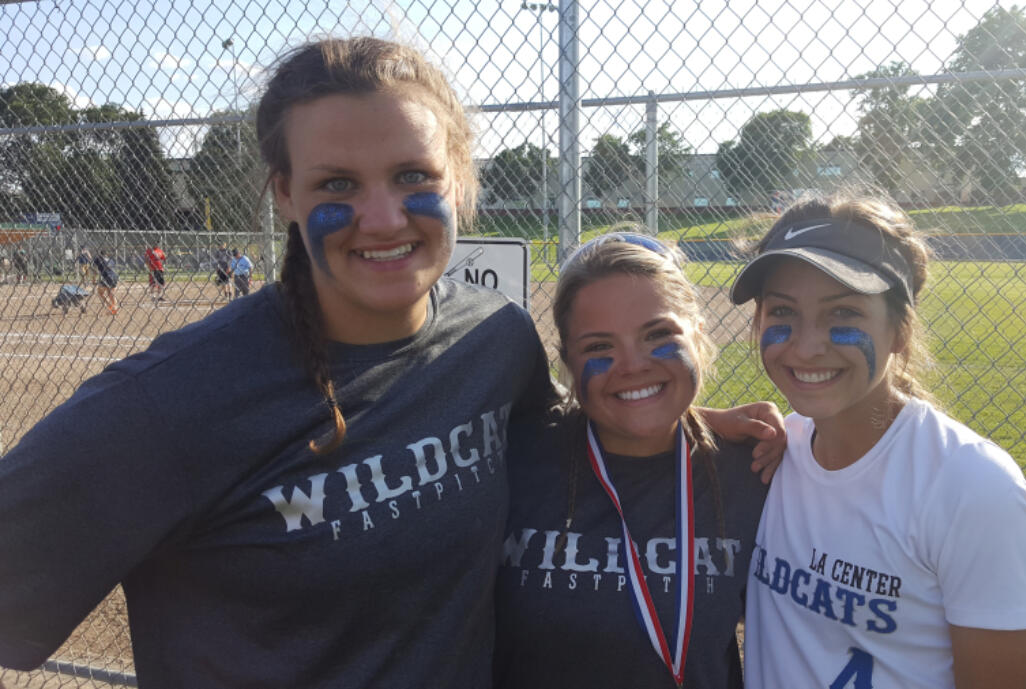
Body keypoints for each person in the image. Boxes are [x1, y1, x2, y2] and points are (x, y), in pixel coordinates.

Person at [0, 37, 779, 688]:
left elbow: (554, 428)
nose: (382, 217)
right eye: (338, 183)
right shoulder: (170, 402)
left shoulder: (493, 339)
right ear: (285, 193)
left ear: (459, 180)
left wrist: (675, 416)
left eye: (414, 176)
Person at [735, 193, 1026, 689]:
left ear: (900, 332)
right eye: (782, 311)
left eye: (842, 313)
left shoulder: (974, 492)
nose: (805, 346)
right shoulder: (775, 451)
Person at [495, 234, 770, 689]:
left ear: (698, 334)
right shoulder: (513, 461)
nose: (632, 365)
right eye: (599, 348)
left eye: (658, 335)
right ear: (566, 360)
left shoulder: (756, 471)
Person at [91, 248, 119, 315]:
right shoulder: (111, 260)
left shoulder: (98, 259)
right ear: (106, 254)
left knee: (100, 293)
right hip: (114, 277)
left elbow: (94, 270)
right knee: (110, 293)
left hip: (106, 277)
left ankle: (111, 307)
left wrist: (93, 279)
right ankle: (114, 308)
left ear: (100, 254)